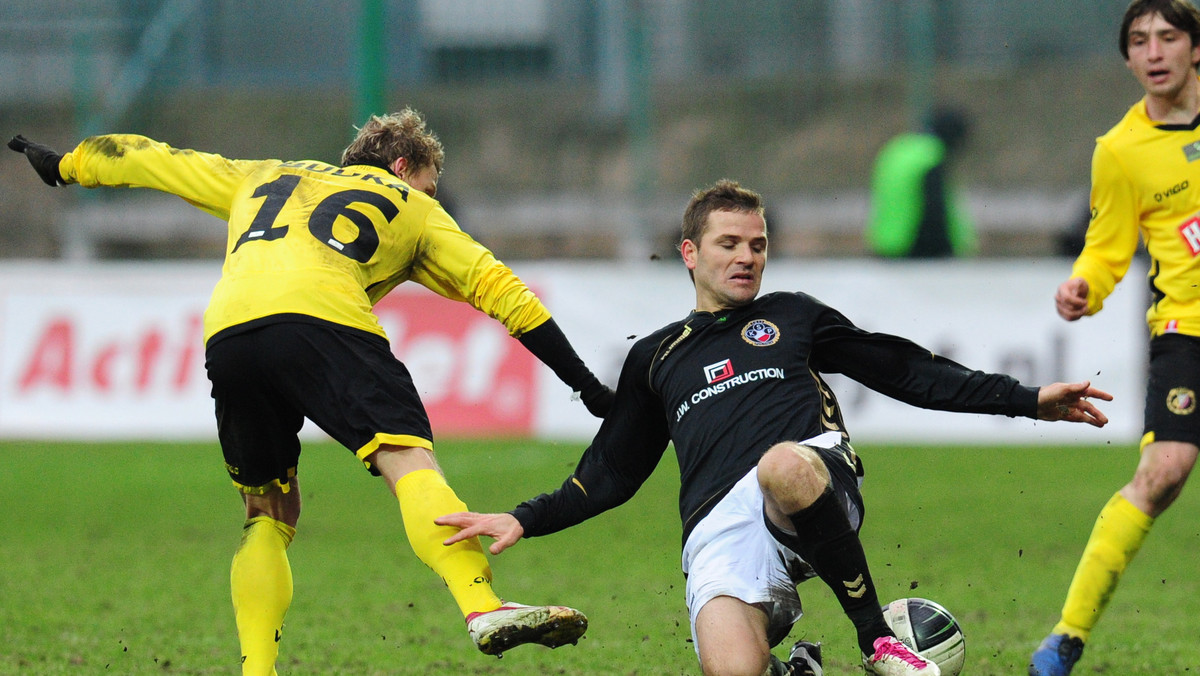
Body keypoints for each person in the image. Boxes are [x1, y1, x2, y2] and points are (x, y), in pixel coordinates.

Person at [7, 107, 614, 675]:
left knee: (268, 512)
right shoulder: (413, 205)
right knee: (409, 462)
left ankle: (257, 669)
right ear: (403, 168)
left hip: (230, 332)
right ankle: (482, 606)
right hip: (325, 318)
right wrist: (586, 387)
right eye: (429, 187)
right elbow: (503, 291)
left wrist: (67, 165)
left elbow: (153, 158)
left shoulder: (265, 174)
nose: (433, 202)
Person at [436, 179, 1111, 676]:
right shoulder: (657, 358)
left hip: (808, 476)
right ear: (690, 253)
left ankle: (876, 639)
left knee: (782, 465)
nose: (747, 257)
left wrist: (1027, 399)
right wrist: (525, 518)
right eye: (729, 244)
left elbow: (905, 369)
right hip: (718, 533)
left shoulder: (793, 315)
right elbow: (610, 472)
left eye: (758, 245)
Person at [1030, 1, 1200, 674]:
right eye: (1138, 41)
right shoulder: (1121, 151)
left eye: (1167, 36)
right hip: (1185, 331)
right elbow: (1105, 250)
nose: (1153, 50)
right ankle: (1066, 637)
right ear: (1128, 60)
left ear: (1195, 48)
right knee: (1163, 472)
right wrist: (1084, 286)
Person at [866, 107, 978, 259]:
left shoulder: (899, 148)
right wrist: (949, 251)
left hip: (886, 243)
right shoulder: (931, 157)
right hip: (913, 248)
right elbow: (935, 210)